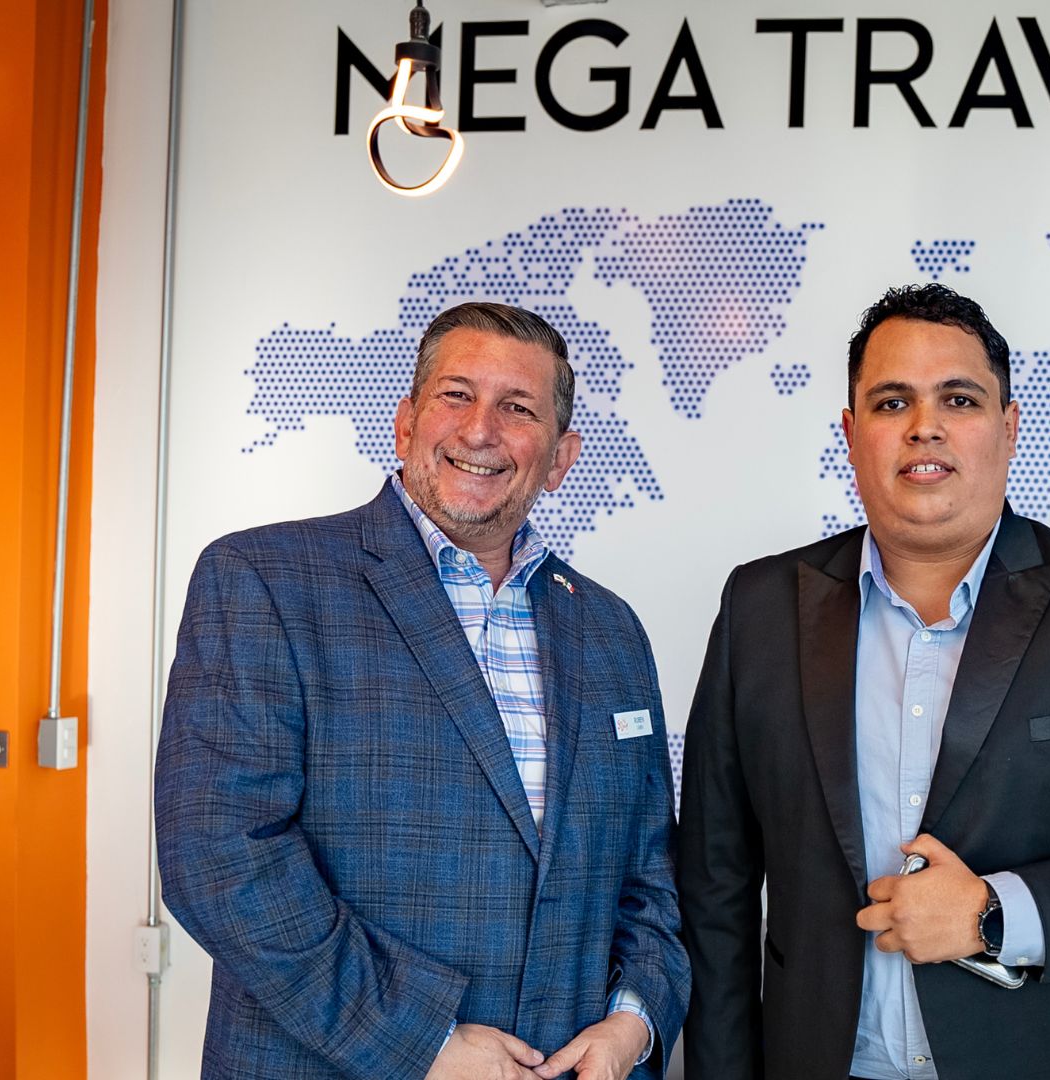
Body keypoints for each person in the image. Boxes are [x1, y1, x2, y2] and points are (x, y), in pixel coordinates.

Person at [677, 283, 1050, 1080]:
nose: (925, 425)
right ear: (851, 434)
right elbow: (715, 888)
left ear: (1009, 428)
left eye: (959, 398)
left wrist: (994, 912)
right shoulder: (761, 607)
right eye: (891, 402)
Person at [155, 302, 689, 1080]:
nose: (480, 429)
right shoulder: (264, 580)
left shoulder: (611, 630)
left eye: (518, 408)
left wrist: (632, 1024)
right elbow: (219, 858)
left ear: (560, 458)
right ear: (406, 424)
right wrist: (424, 1042)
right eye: (456, 395)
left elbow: (651, 876)